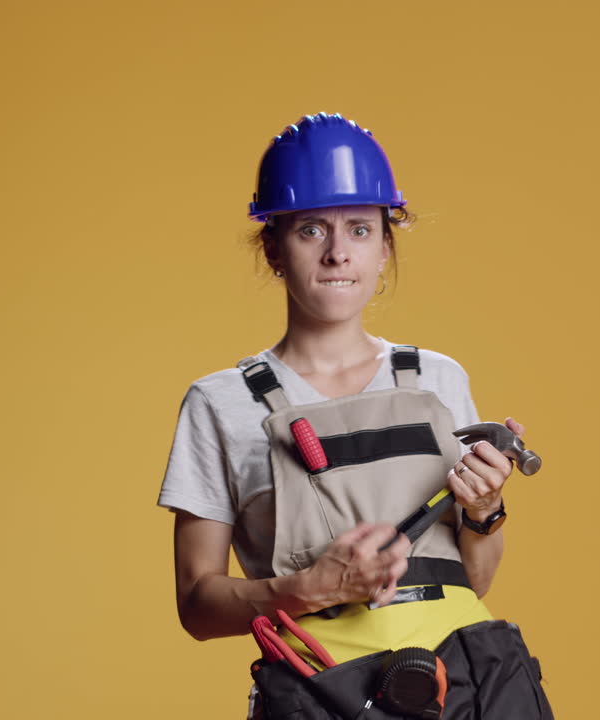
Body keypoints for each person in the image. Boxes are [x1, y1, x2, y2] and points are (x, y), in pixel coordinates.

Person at [157, 112, 552, 719]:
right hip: (323, 690)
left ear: (384, 246)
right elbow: (197, 607)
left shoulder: (438, 379)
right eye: (313, 229)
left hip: (470, 681)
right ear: (275, 248)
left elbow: (477, 577)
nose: (339, 253)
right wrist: (306, 589)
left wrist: (483, 510)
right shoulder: (220, 403)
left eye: (361, 230)